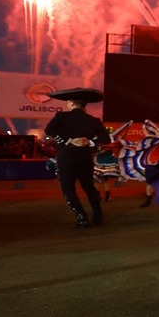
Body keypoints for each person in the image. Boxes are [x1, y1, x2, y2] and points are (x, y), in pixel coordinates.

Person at [44, 97, 111, 228]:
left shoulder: (62, 116)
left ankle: (82, 218)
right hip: (85, 157)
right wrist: (89, 141)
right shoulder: (94, 120)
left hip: (66, 157)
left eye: (68, 101)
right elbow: (106, 139)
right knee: (89, 187)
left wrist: (68, 140)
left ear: (72, 103)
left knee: (68, 189)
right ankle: (98, 215)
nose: (67, 104)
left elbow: (49, 130)